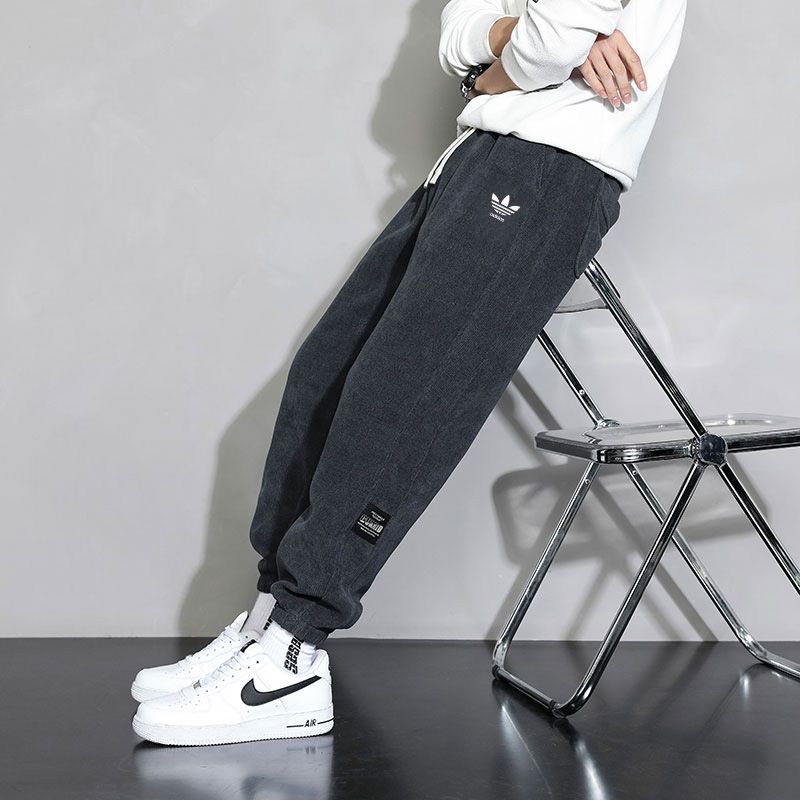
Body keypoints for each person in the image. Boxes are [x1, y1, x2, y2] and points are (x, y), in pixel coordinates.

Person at [131, 0, 687, 746]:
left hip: (553, 165)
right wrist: (511, 49)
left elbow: (545, 41)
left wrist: (502, 66)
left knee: (401, 402)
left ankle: (294, 653)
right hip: (474, 159)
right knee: (325, 379)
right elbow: (461, 36)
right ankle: (268, 621)